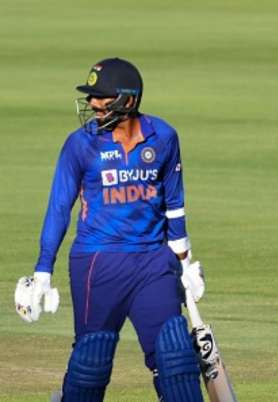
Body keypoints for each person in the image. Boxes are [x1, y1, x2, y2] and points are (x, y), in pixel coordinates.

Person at [13, 58, 207, 402]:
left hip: (153, 263)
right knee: (92, 362)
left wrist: (186, 261)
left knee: (176, 357)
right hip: (96, 263)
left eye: (100, 97)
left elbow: (174, 203)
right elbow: (60, 207)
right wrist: (43, 270)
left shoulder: (163, 137)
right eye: (91, 96)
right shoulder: (80, 144)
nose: (92, 103)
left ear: (127, 101)